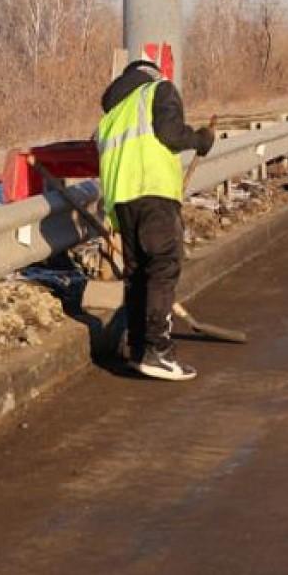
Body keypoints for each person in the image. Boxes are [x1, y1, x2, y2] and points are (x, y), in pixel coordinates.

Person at [97, 59, 215, 381]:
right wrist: (200, 139)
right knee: (163, 266)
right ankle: (158, 351)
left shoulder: (111, 116)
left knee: (138, 275)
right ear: (152, 74)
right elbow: (170, 134)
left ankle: (138, 350)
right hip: (153, 193)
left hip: (122, 201)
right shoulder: (157, 89)